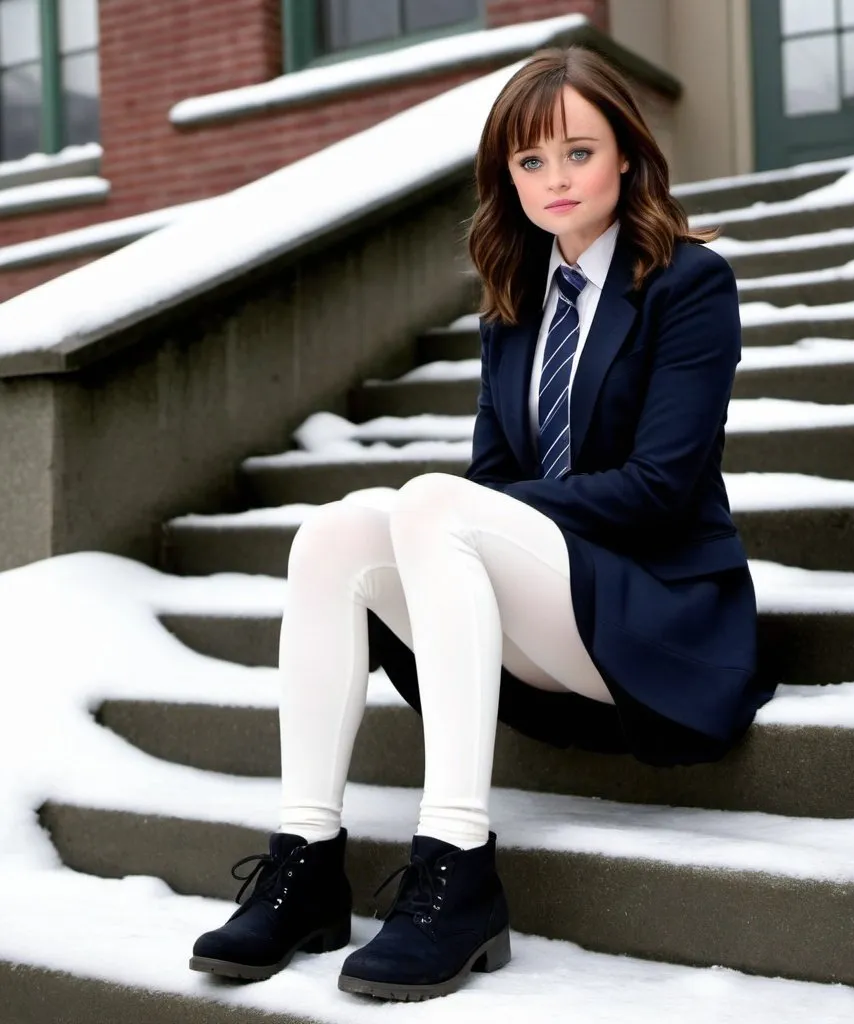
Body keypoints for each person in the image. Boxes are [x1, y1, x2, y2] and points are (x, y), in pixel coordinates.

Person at [189, 43, 772, 1003]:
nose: (555, 179)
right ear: (507, 175)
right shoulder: (514, 303)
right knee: (334, 533)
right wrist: (477, 510)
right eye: (530, 161)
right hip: (546, 615)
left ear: (626, 152)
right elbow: (494, 481)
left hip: (658, 612)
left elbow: (662, 486)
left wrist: (480, 510)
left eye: (577, 152)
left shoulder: (688, 283)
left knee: (431, 501)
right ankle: (306, 857)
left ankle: (457, 866)